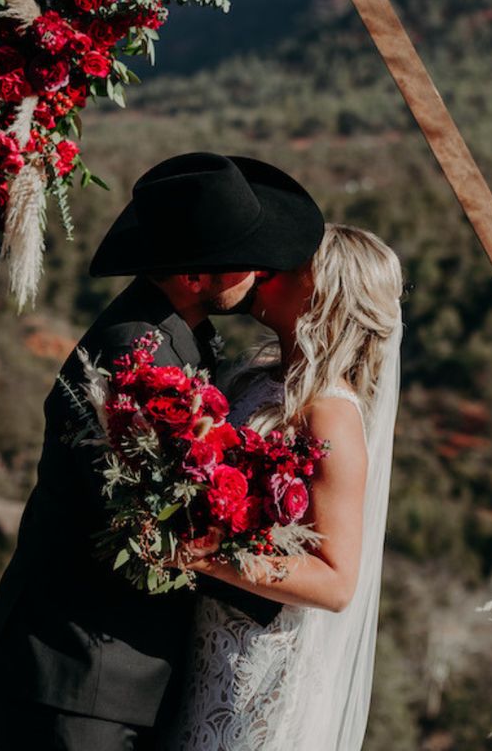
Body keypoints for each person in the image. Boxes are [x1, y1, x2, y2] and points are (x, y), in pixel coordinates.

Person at [0, 151, 325, 751]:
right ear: (194, 277)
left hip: (107, 672)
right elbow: (155, 522)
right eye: (248, 258)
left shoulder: (171, 337)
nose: (262, 270)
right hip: (80, 676)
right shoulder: (135, 359)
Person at [167, 223, 403, 751]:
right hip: (203, 635)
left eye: (287, 267)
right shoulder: (257, 378)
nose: (263, 270)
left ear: (320, 295)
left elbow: (337, 584)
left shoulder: (331, 416)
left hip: (255, 666)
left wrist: (206, 556)